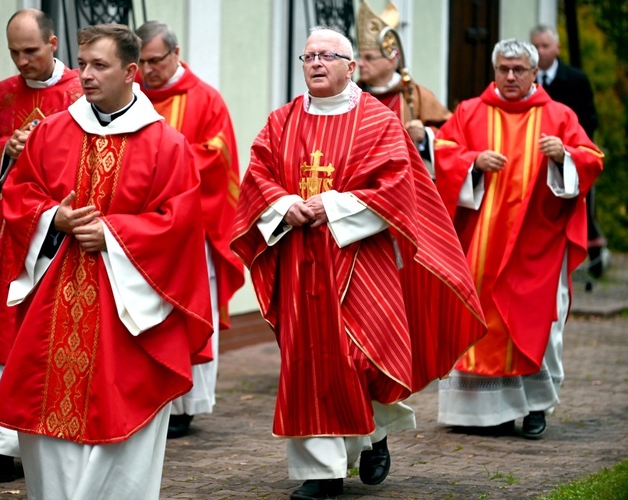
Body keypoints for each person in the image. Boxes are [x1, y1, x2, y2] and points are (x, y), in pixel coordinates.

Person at [230, 27, 486, 500]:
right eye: (309, 56)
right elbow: (258, 174)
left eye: (327, 56)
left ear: (352, 67)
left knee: (360, 357)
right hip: (300, 259)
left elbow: (396, 187)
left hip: (360, 258)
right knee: (307, 362)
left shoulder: (376, 121)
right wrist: (285, 203)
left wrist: (335, 206)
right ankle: (321, 471)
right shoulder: (281, 121)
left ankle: (376, 435)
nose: (316, 63)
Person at [0, 24, 213, 499]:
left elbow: (180, 223)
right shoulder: (53, 132)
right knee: (43, 413)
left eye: (99, 66)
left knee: (123, 412)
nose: (85, 75)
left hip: (127, 308)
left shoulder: (165, 144)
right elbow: (19, 194)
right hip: (55, 301)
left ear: (131, 72)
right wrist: (55, 218)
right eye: (83, 63)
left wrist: (113, 233)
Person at [433, 39, 603, 440]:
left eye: (519, 70)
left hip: (538, 245)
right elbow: (444, 152)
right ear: (494, 71)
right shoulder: (469, 112)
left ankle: (535, 408)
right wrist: (472, 162)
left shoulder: (559, 115)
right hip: (480, 245)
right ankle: (481, 415)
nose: (510, 76)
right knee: (480, 324)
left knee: (540, 329)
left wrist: (563, 156)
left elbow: (591, 158)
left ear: (533, 72)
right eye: (504, 69)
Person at [0, 8, 82, 484]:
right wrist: (5, 147)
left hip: (55, 237)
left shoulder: (79, 93)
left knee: (50, 342)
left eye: (31, 50)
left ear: (53, 43)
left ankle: (50, 439)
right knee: (2, 342)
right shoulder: (1, 95)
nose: (22, 61)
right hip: (11, 236)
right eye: (14, 52)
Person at [135, 21, 244, 439]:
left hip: (191, 228)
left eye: (156, 60)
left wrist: (158, 170)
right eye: (141, 62)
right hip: (145, 229)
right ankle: (151, 395)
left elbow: (216, 159)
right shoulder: (134, 98)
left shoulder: (205, 100)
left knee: (191, 310)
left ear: (176, 54)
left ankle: (187, 407)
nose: (148, 70)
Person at [530, 24, 606, 278]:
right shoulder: (525, 81)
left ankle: (592, 254)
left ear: (557, 48)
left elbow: (589, 119)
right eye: (536, 46)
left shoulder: (576, 79)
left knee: (582, 206)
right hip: (535, 159)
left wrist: (569, 150)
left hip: (568, 157)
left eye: (545, 46)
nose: (540, 52)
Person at [355, 0, 451, 175]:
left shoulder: (415, 95)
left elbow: (451, 137)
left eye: (369, 58)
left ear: (392, 59)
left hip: (405, 181)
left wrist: (424, 136)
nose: (360, 64)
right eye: (359, 57)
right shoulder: (352, 96)